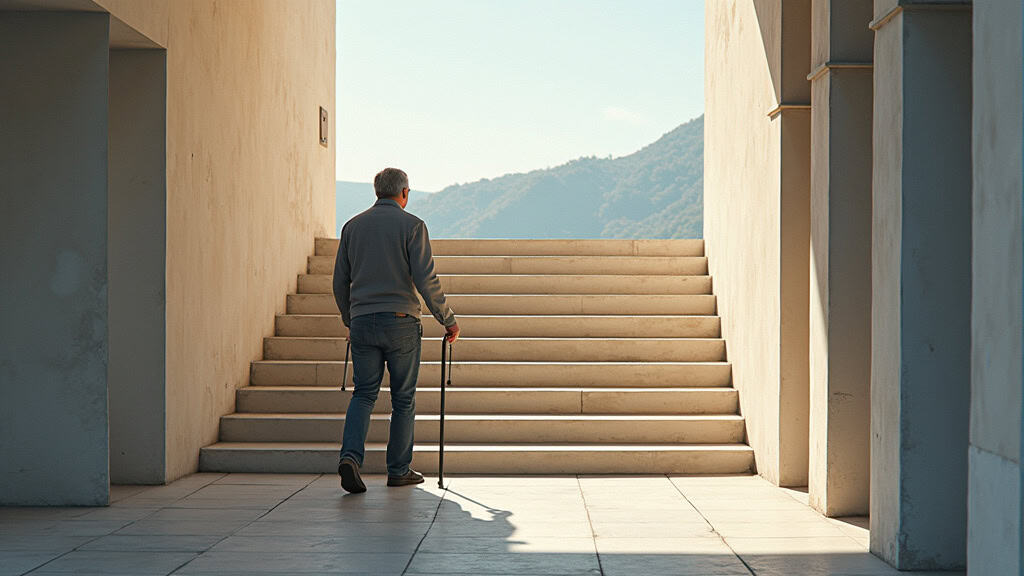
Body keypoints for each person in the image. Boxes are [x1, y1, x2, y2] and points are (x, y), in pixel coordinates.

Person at [333, 167, 460, 494]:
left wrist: (351, 319)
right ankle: (399, 469)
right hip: (401, 321)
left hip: (362, 321)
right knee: (403, 399)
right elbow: (425, 279)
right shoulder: (413, 226)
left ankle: (350, 458)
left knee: (363, 394)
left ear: (377, 192)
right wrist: (447, 319)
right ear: (404, 193)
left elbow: (339, 283)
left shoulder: (352, 227)